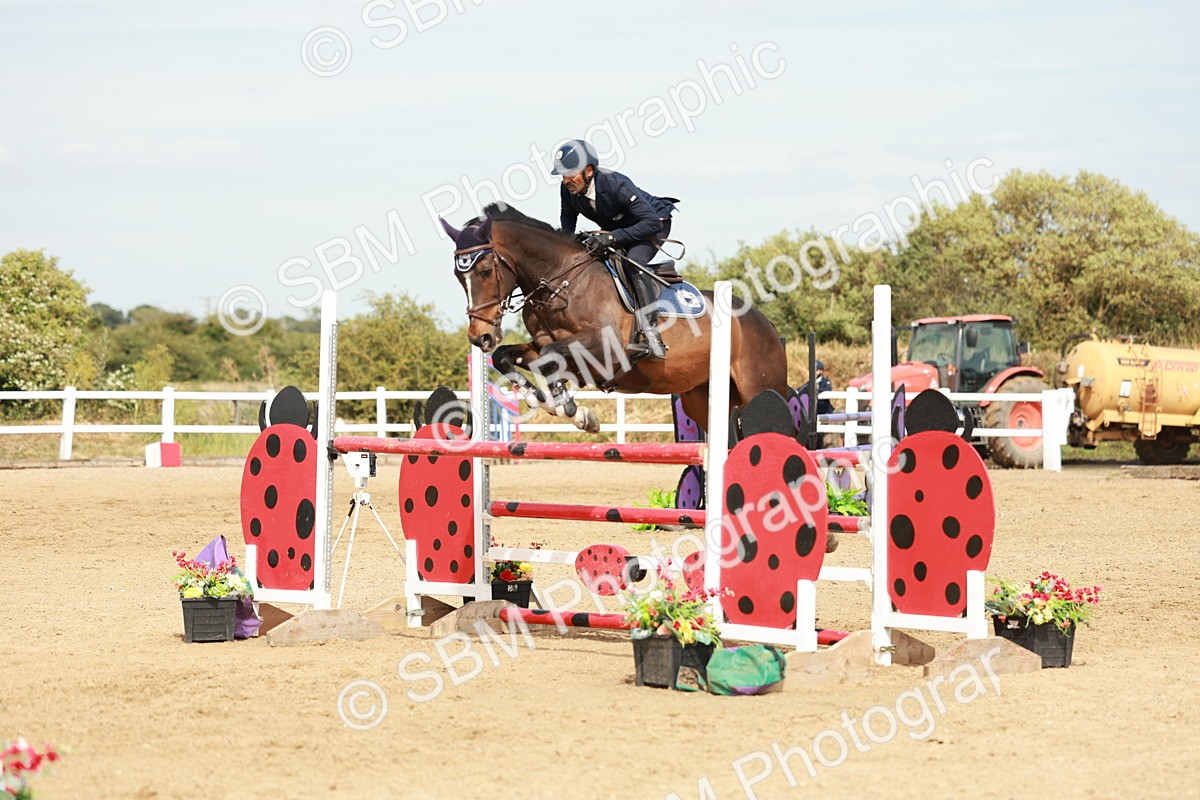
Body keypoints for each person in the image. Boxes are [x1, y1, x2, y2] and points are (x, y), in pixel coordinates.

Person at [552, 138, 678, 359]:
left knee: (634, 263)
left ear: (589, 171)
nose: (566, 180)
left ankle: (652, 336)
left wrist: (612, 237)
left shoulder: (616, 184)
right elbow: (568, 220)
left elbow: (651, 223)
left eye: (570, 174)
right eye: (562, 175)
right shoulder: (568, 190)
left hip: (652, 224)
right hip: (620, 228)